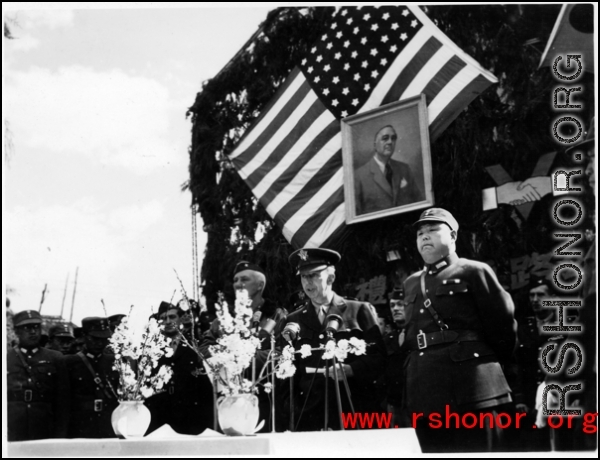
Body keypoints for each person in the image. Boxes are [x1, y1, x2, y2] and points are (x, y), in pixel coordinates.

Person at [403, 208, 517, 452]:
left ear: (453, 236)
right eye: (420, 233)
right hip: (427, 388)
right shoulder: (412, 283)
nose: (424, 236)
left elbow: (502, 326)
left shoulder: (473, 271)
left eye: (433, 230)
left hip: (473, 386)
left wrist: (490, 369)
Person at [283, 248, 386, 431]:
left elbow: (379, 358)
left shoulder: (358, 310)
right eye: (303, 276)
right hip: (310, 412)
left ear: (330, 278)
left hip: (354, 408)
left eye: (314, 275)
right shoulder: (294, 320)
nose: (308, 282)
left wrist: (352, 369)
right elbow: (287, 367)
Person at [144, 302, 214, 435]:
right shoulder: (152, 349)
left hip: (190, 415)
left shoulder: (195, 345)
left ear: (181, 319)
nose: (168, 321)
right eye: (163, 318)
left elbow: (205, 386)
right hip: (160, 416)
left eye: (172, 317)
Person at [7, 310, 70, 441]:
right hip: (13, 425)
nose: (33, 332)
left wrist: (60, 435)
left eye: (36, 327)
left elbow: (63, 401)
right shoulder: (7, 357)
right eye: (27, 328)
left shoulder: (55, 358)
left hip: (44, 425)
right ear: (16, 331)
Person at [64, 316, 119, 438]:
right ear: (84, 336)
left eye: (104, 338)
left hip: (108, 424)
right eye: (95, 338)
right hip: (81, 425)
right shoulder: (70, 362)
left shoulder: (114, 362)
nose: (100, 343)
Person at [354, 125, 423, 215]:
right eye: (385, 138)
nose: (390, 142)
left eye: (393, 138)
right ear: (375, 144)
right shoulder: (359, 175)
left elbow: (419, 201)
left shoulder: (404, 169)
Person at [382, 289, 411, 428]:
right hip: (394, 403)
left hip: (416, 402)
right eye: (392, 305)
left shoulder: (420, 335)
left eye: (400, 304)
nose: (396, 309)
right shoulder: (388, 339)